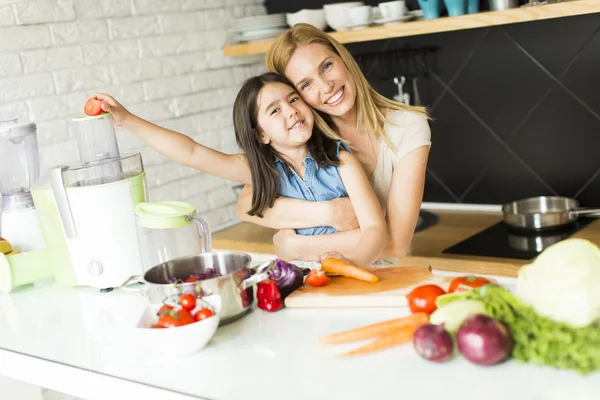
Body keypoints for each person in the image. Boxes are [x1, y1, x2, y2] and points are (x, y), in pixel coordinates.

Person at [90, 72, 387, 266]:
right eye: (275, 110)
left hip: (356, 265)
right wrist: (128, 120)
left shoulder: (341, 159)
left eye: (293, 99)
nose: (292, 110)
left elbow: (374, 230)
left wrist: (341, 261)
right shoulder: (260, 170)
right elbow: (191, 152)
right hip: (303, 275)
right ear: (261, 135)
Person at [236, 23, 431, 262]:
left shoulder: (407, 126)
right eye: (306, 84)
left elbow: (396, 244)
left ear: (343, 59)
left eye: (327, 66)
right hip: (318, 280)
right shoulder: (302, 138)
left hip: (379, 279)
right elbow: (246, 204)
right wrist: (329, 212)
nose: (326, 86)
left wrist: (298, 246)